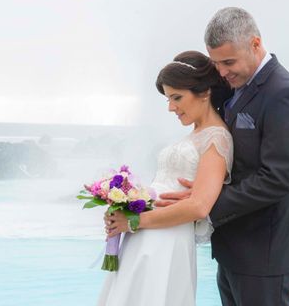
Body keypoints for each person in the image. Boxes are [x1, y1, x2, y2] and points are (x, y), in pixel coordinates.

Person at [158, 7, 289, 306]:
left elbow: (278, 179)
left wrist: (205, 203)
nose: (222, 72)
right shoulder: (231, 85)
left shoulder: (284, 95)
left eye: (228, 62)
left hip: (266, 253)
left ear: (255, 44)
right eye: (216, 63)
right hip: (233, 248)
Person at [98, 51, 233, 306]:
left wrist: (135, 221)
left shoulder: (217, 138)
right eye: (168, 99)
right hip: (149, 232)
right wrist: (125, 207)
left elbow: (199, 206)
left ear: (204, 92)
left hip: (166, 238)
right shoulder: (196, 135)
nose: (171, 107)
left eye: (177, 97)